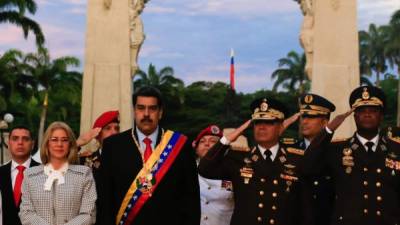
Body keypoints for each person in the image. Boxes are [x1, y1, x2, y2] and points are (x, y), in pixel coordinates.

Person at [199, 97, 312, 225]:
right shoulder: (238, 157)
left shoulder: (296, 159)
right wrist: (227, 140)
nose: (262, 127)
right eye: (257, 122)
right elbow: (204, 169)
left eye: (269, 122)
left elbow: (305, 208)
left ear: (281, 127)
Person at [97, 86, 200, 225]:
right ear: (134, 111)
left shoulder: (180, 145)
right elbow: (105, 200)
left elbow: (191, 199)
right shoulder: (113, 146)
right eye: (141, 108)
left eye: (152, 108)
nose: (146, 114)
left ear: (160, 113)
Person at [304, 85, 400, 225]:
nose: (367, 114)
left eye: (373, 110)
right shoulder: (337, 149)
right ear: (354, 116)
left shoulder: (396, 149)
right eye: (361, 111)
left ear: (381, 116)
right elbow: (307, 167)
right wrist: (328, 131)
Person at [19, 122, 97, 225]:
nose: (59, 144)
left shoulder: (83, 174)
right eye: (54, 140)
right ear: (47, 143)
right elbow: (26, 213)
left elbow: (88, 214)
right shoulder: (30, 175)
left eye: (64, 140)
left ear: (70, 144)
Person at [295, 94, 336, 225]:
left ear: (325, 122)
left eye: (311, 117)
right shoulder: (289, 151)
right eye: (303, 116)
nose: (304, 121)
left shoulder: (336, 153)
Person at [193, 125, 234, 225]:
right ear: (196, 149)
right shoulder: (188, 171)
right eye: (202, 141)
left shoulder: (232, 172)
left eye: (213, 141)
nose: (207, 144)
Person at [0, 126, 40, 225]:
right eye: (15, 138)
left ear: (32, 144)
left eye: (25, 139)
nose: (20, 142)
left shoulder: (44, 172)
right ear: (9, 143)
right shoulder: (0, 172)